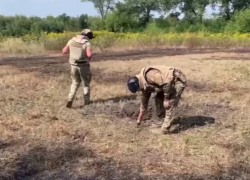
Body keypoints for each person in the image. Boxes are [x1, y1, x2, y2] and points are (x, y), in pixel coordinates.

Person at [127, 65, 187, 134]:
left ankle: (165, 129)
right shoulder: (143, 82)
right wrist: (139, 117)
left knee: (170, 103)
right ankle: (161, 121)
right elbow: (145, 98)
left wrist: (166, 99)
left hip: (177, 80)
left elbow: (166, 84)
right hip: (167, 84)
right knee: (157, 98)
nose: (139, 90)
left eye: (138, 89)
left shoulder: (150, 76)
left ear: (138, 83)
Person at [62, 29, 94, 108]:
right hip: (83, 66)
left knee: (75, 83)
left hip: (73, 65)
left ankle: (70, 100)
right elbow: (89, 54)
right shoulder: (87, 43)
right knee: (86, 83)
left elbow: (64, 51)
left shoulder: (71, 41)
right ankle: (86, 102)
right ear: (88, 36)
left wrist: (73, 52)